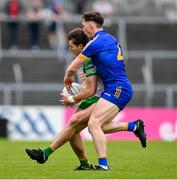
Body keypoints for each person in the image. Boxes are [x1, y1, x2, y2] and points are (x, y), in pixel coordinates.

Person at [26, 28, 146, 170]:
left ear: (81, 46)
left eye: (71, 45)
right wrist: (75, 94)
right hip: (93, 97)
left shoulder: (88, 59)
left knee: (75, 122)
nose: (69, 48)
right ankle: (85, 162)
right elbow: (90, 85)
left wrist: (72, 98)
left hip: (101, 97)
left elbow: (91, 90)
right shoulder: (88, 59)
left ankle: (45, 153)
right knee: (76, 130)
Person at [64, 11, 147, 170]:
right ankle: (134, 127)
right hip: (117, 87)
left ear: (90, 25)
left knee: (94, 124)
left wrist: (67, 78)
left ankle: (103, 165)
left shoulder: (95, 43)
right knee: (96, 125)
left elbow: (72, 66)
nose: (83, 29)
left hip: (118, 88)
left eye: (83, 26)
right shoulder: (110, 39)